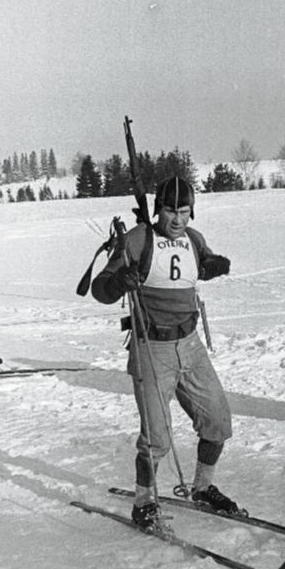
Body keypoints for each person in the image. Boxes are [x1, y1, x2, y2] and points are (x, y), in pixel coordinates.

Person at [91, 176, 240, 529]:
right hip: (152, 348)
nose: (177, 219)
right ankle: (144, 502)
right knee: (157, 438)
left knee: (218, 422)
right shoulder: (139, 239)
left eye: (184, 211)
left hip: (190, 346)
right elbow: (99, 289)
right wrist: (118, 282)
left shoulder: (193, 239)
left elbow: (203, 264)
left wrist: (217, 265)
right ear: (158, 209)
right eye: (170, 210)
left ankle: (203, 487)